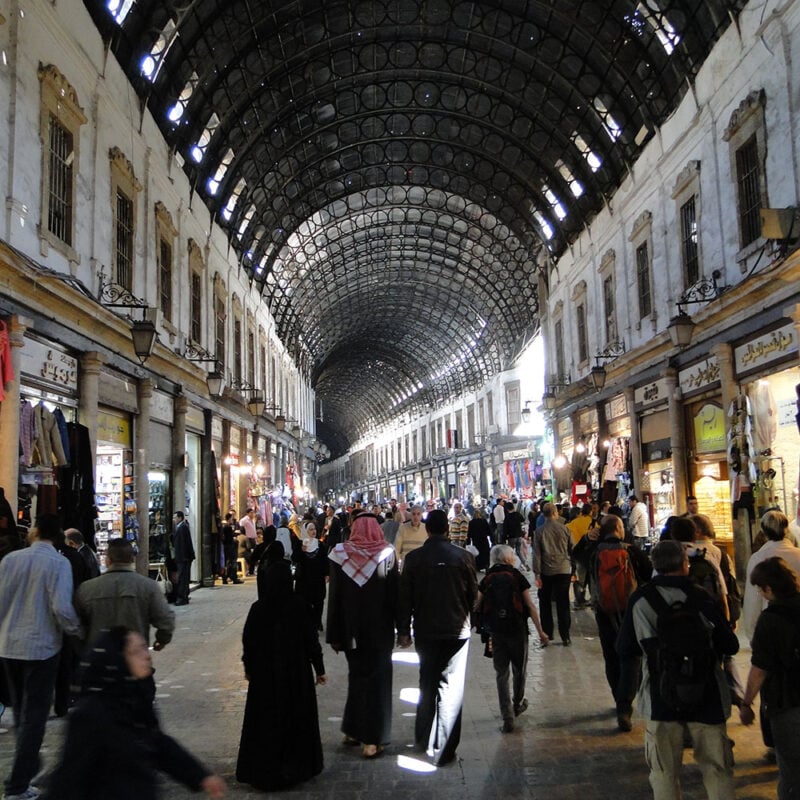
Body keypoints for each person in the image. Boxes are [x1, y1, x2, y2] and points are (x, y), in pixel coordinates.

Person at [617, 540, 739, 800]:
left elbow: (626, 648)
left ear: (655, 566)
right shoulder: (701, 596)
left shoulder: (641, 599)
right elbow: (730, 644)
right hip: (707, 694)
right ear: (685, 565)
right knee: (718, 770)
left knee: (663, 773)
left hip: (661, 696)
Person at [42, 627, 226, 799]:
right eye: (136, 651)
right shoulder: (91, 714)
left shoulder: (134, 697)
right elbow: (69, 776)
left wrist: (200, 776)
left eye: (144, 648)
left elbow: (157, 742)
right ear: (117, 659)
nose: (147, 656)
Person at [0, 514, 83, 800]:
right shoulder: (59, 563)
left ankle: (28, 768)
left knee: (22, 712)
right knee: (35, 716)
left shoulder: (10, 560)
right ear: (58, 534)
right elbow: (61, 607)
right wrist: (76, 632)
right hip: (41, 647)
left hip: (9, 645)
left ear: (35, 531)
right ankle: (18, 785)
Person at [236, 545, 327, 791]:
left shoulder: (258, 608)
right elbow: (311, 642)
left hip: (265, 676)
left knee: (265, 720)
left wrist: (249, 667)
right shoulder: (299, 606)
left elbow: (249, 641)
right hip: (296, 674)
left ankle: (265, 769)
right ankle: (296, 767)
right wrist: (319, 669)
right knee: (296, 719)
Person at [397, 509, 478, 765]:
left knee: (427, 682)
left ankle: (422, 737)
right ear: (447, 530)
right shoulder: (463, 557)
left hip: (425, 630)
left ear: (428, 530)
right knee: (451, 688)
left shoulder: (413, 559)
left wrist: (403, 632)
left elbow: (405, 600)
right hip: (456, 631)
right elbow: (473, 595)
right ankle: (445, 747)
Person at [327, 513, 399, 758]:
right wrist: (403, 628)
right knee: (378, 682)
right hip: (380, 631)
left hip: (351, 632)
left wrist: (334, 634)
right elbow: (394, 594)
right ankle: (372, 739)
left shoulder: (340, 555)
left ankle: (353, 730)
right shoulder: (386, 555)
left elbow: (334, 597)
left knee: (357, 677)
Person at [739, 557, 800, 798]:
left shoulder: (771, 620)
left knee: (792, 771)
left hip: (786, 702)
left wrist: (746, 703)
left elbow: (759, 669)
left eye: (760, 589)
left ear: (769, 589)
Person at [587, 514, 651, 731]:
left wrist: (588, 538)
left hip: (604, 612)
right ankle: (625, 705)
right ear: (619, 528)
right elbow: (649, 574)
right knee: (632, 656)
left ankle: (618, 700)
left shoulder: (594, 552)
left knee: (611, 656)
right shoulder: (631, 550)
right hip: (632, 611)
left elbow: (575, 557)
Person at [476, 544, 549, 733]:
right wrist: (541, 632)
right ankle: (517, 703)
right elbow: (530, 606)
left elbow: (477, 604)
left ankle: (507, 716)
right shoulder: (517, 577)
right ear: (508, 559)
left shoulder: (488, 578)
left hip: (496, 632)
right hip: (517, 630)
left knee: (501, 674)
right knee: (519, 669)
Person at [75, 538, 175, 650]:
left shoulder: (87, 588)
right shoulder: (148, 586)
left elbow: (76, 624)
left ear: (108, 561)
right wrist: (162, 639)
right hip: (134, 656)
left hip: (98, 657)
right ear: (132, 559)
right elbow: (166, 619)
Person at [742, 510, 800, 641]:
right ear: (787, 530)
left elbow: (753, 600)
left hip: (771, 626)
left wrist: (752, 634)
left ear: (763, 531)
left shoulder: (758, 558)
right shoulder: (798, 555)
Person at [532, 502, 574, 646]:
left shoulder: (539, 531)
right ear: (556, 513)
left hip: (546, 571)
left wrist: (537, 573)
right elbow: (571, 549)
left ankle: (548, 634)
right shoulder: (565, 529)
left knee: (545, 603)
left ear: (543, 514)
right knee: (563, 603)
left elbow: (536, 554)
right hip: (563, 569)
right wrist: (572, 569)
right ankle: (565, 636)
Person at [294, 523, 329, 632]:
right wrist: (301, 550)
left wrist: (327, 574)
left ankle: (317, 622)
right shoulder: (299, 544)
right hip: (304, 579)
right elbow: (295, 558)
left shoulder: (319, 544)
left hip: (317, 578)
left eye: (314, 529)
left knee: (319, 601)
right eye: (310, 530)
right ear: (305, 531)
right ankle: (306, 622)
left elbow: (325, 560)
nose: (313, 531)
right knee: (304, 601)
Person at [172, 511, 195, 605]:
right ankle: (184, 596)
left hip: (183, 558)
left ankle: (182, 597)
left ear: (180, 518)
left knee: (182, 577)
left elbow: (183, 544)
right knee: (184, 577)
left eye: (175, 517)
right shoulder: (182, 527)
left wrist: (183, 557)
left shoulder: (182, 528)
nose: (174, 520)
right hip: (184, 557)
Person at [220, 512, 243, 584]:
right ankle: (233, 577)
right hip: (230, 547)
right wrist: (234, 536)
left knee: (226, 562)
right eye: (232, 518)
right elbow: (230, 537)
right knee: (232, 562)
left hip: (225, 547)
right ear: (229, 518)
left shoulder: (224, 527)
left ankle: (225, 578)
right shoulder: (228, 527)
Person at [238, 509, 257, 575]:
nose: (252, 514)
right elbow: (241, 527)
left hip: (253, 539)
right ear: (248, 513)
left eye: (253, 513)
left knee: (254, 555)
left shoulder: (253, 520)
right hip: (247, 539)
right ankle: (249, 570)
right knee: (249, 555)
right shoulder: (244, 520)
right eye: (251, 513)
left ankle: (252, 570)